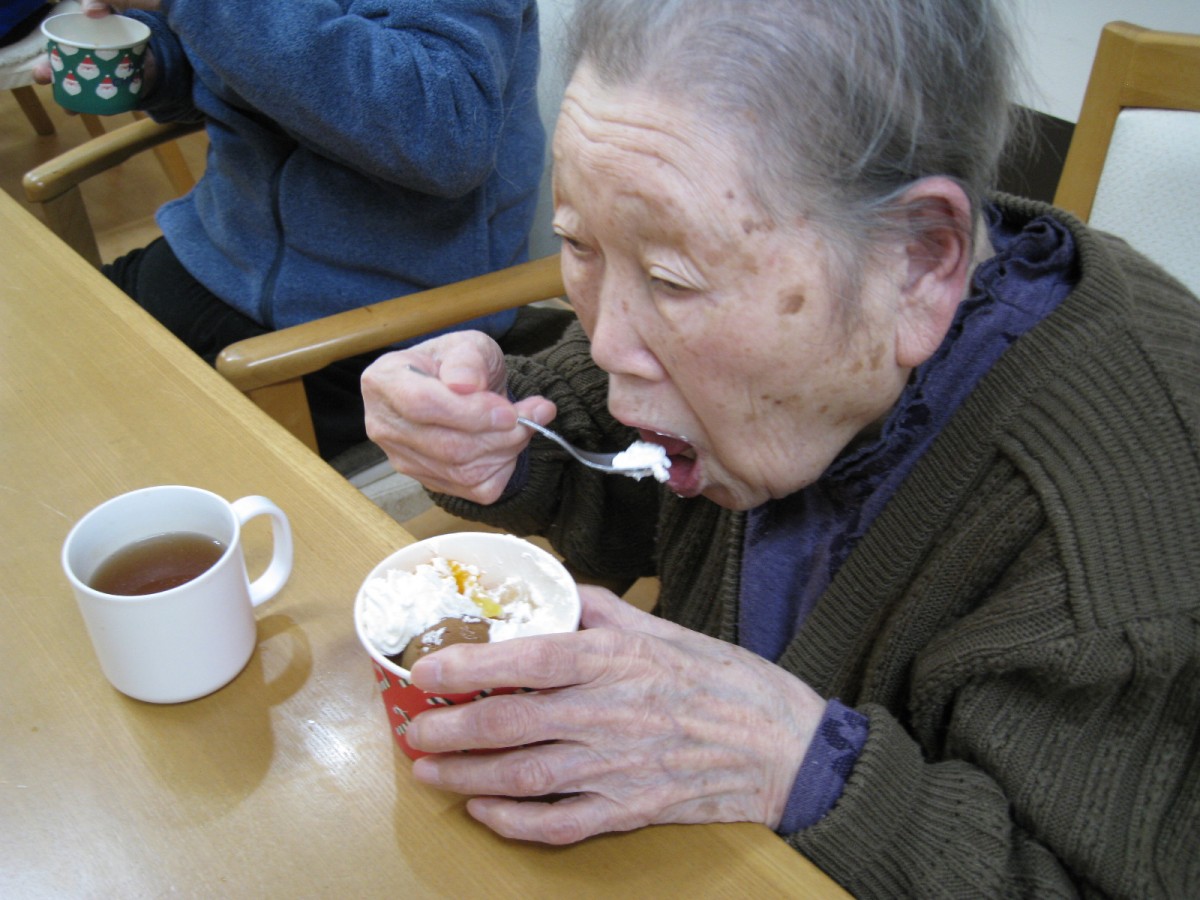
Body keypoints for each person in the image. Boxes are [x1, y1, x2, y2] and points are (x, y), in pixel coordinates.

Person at [360, 0, 1200, 896]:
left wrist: (800, 766)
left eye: (672, 278)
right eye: (578, 241)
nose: (605, 345)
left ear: (921, 263)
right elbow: (632, 466)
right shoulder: (792, 331)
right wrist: (501, 438)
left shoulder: (1114, 558)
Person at [38, 0, 544, 461]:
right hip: (213, 253)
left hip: (376, 329)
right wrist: (152, 62)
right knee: (40, 368)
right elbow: (233, 59)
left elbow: (443, 134)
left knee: (114, 461)